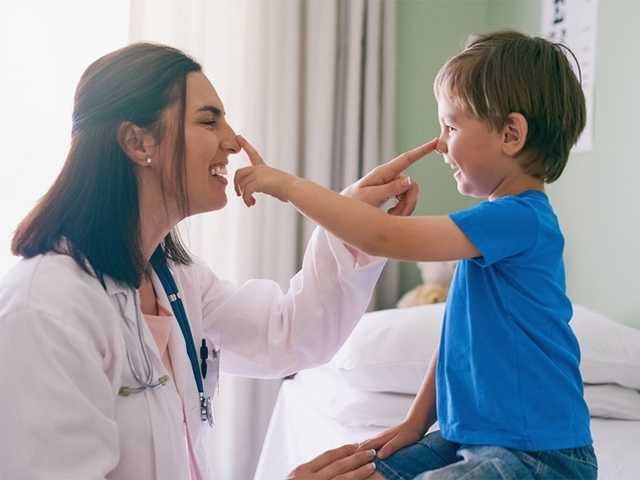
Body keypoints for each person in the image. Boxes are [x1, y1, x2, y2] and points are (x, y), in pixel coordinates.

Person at [0, 42, 426, 480]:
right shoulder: (44, 310)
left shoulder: (174, 280)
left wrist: (351, 219)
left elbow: (288, 335)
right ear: (136, 141)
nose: (233, 142)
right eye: (209, 120)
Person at [234, 31, 597, 479]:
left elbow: (382, 237)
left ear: (511, 134)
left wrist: (289, 186)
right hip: (469, 436)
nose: (441, 144)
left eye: (451, 126)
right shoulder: (493, 225)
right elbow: (458, 342)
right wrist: (415, 421)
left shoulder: (520, 220)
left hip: (538, 455)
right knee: (372, 470)